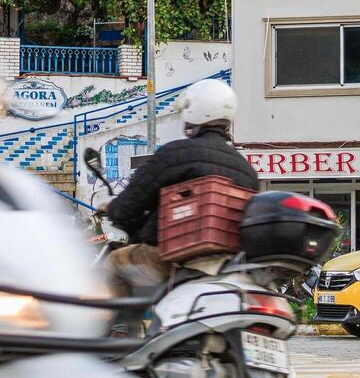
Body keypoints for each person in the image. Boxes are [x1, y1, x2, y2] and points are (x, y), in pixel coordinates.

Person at [103, 79, 259, 298]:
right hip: (227, 264)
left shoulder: (176, 153)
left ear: (194, 112)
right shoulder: (247, 171)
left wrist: (113, 210)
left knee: (111, 264)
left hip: (172, 258)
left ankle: (120, 329)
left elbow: (130, 204)